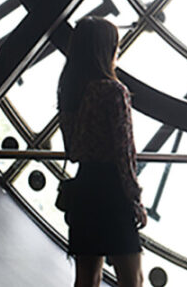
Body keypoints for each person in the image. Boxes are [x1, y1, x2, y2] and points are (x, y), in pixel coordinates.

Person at [57, 17, 147, 287]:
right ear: (106, 49)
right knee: (133, 280)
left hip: (84, 191)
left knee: (86, 279)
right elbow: (124, 151)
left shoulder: (70, 90)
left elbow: (73, 150)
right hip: (112, 194)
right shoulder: (113, 91)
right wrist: (135, 198)